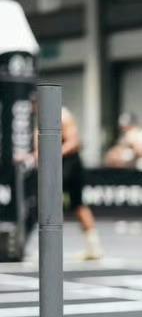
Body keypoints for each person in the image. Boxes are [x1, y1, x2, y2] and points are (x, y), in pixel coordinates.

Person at [21, 105, 103, 260]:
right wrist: (33, 157)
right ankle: (24, 246)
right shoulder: (41, 119)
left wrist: (50, 154)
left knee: (69, 203)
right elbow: (40, 147)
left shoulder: (62, 115)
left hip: (69, 165)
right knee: (47, 203)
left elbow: (74, 142)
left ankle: (93, 248)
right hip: (57, 163)